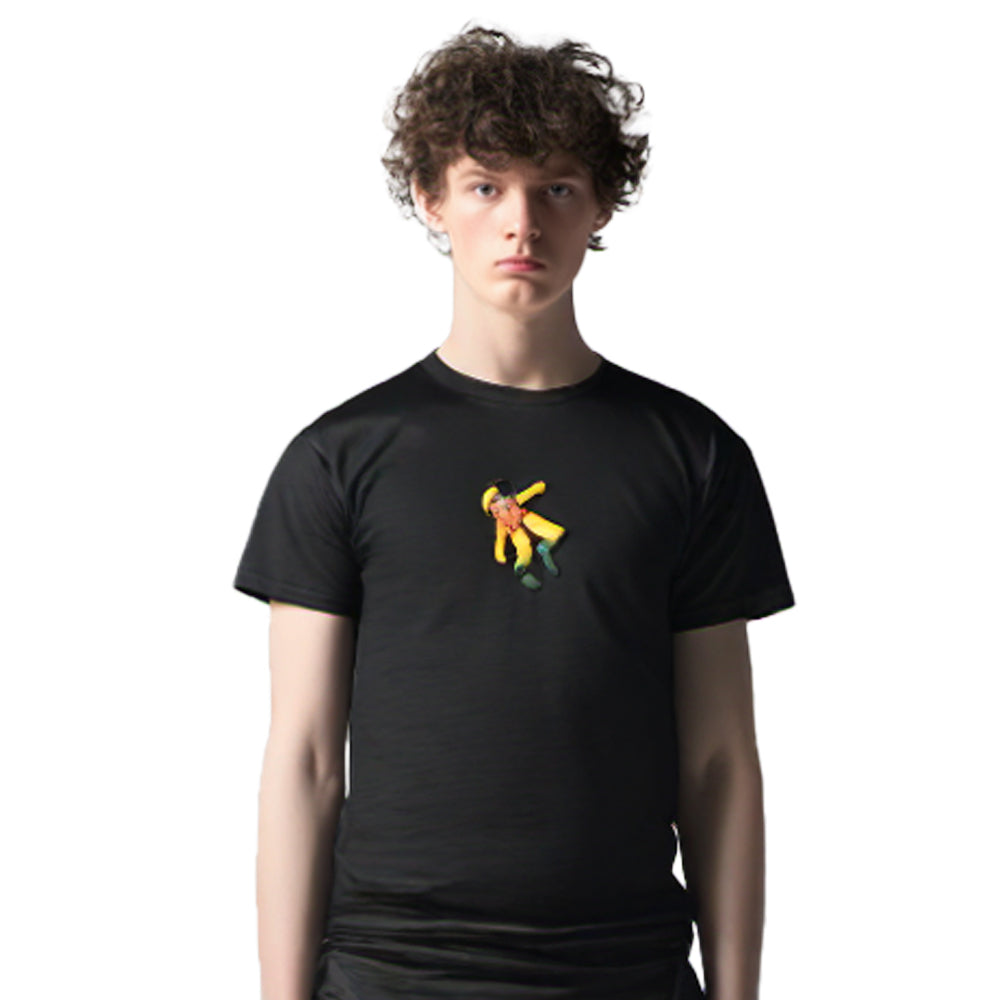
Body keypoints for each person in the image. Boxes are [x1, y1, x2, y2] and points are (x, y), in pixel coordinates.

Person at [233, 23, 795, 1000]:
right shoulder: (339, 458)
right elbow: (305, 759)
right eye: (486, 186)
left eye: (557, 189)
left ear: (601, 203)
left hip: (622, 969)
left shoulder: (694, 455)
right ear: (431, 198)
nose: (521, 225)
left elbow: (718, 761)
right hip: (393, 971)